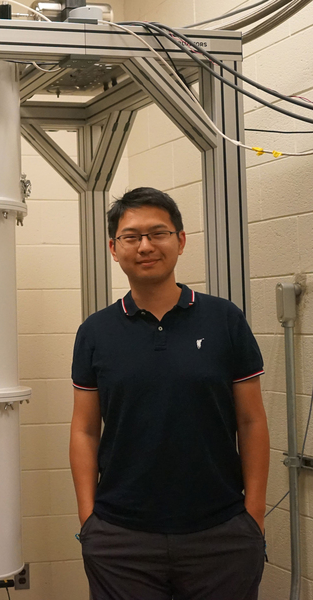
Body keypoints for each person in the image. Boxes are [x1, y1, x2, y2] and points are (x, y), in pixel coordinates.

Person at [69, 187, 269, 600]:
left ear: (180, 240)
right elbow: (85, 430)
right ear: (113, 248)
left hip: (221, 533)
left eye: (158, 233)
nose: (145, 246)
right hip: (121, 539)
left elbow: (251, 421)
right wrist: (89, 521)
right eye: (131, 236)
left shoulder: (225, 319)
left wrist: (253, 515)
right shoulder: (95, 332)